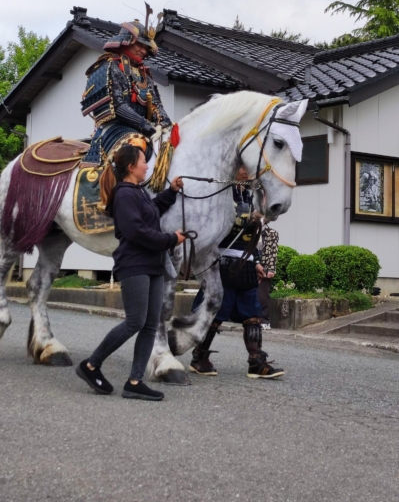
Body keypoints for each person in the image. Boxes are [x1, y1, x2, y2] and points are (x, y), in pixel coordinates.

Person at [76, 144, 185, 401]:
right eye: (143, 161)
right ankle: (91, 365)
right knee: (135, 321)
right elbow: (136, 231)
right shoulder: (124, 195)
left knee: (149, 324)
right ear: (130, 167)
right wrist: (170, 239)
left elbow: (154, 210)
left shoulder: (138, 192)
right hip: (134, 265)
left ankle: (135, 381)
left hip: (153, 266)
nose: (147, 165)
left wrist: (171, 191)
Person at [188, 167, 284, 379]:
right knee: (217, 313)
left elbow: (253, 236)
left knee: (253, 314)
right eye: (241, 168)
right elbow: (218, 226)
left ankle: (256, 362)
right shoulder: (221, 193)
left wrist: (256, 261)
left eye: (247, 169)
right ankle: (199, 356)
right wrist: (247, 219)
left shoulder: (250, 194)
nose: (245, 172)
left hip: (246, 261)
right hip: (222, 261)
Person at [81, 17, 172, 166]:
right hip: (113, 130)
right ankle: (120, 188)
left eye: (146, 48)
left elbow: (156, 105)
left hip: (144, 130)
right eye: (140, 45)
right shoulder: (108, 67)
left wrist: (166, 126)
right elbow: (117, 106)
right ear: (127, 40)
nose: (143, 51)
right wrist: (146, 126)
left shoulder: (145, 76)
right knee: (135, 147)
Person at [257, 221, 279, 330]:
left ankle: (265, 321)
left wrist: (270, 269)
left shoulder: (272, 233)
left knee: (262, 295)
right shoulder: (249, 232)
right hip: (250, 266)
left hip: (264, 268)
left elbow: (273, 253)